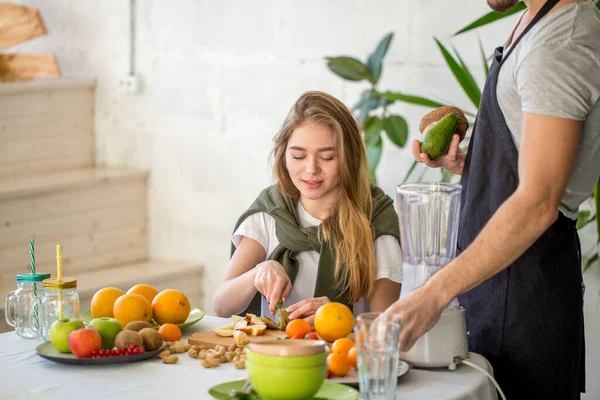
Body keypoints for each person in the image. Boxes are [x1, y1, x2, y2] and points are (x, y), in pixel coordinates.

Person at [386, 0, 599, 399]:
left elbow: (538, 202)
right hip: (497, 286)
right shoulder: (538, 21)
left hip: (524, 296)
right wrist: (466, 165)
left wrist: (432, 294)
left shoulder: (559, 42)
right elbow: (528, 169)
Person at [213, 91, 402, 322]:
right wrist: (257, 273)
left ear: (349, 158)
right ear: (284, 155)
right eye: (299, 156)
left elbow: (387, 328)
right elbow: (221, 307)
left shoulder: (376, 219)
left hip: (343, 356)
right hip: (274, 356)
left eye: (327, 157)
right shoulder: (269, 211)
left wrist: (337, 317)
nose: (311, 169)